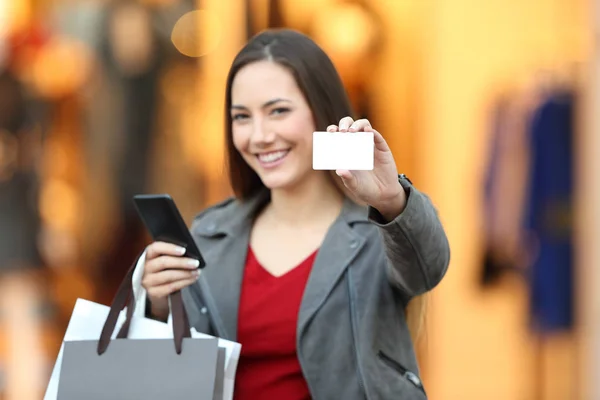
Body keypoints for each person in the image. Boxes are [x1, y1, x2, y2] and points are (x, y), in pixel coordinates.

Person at [133, 29, 450, 400]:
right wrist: (155, 304)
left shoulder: (377, 228)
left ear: (323, 112)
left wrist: (392, 199)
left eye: (278, 111)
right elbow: (173, 371)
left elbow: (428, 267)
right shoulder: (209, 234)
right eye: (242, 117)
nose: (260, 135)